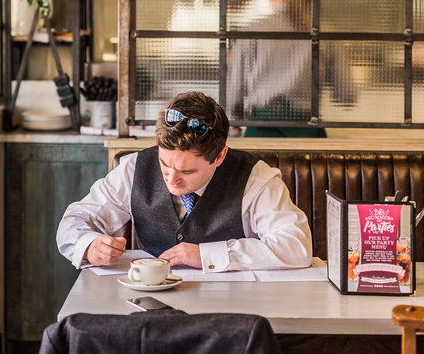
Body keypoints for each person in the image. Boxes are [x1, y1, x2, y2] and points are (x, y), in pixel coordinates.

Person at [56, 91, 313, 272]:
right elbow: (73, 222)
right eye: (165, 164)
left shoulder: (255, 179)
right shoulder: (134, 169)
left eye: (187, 172)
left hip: (233, 307)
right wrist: (88, 246)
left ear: (219, 156)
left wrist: (207, 255)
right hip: (150, 304)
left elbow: (296, 245)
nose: (172, 179)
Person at [227, 0, 328, 138]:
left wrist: (233, 118)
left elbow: (234, 92)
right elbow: (347, 94)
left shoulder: (251, 32)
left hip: (261, 131)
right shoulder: (323, 32)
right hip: (309, 134)